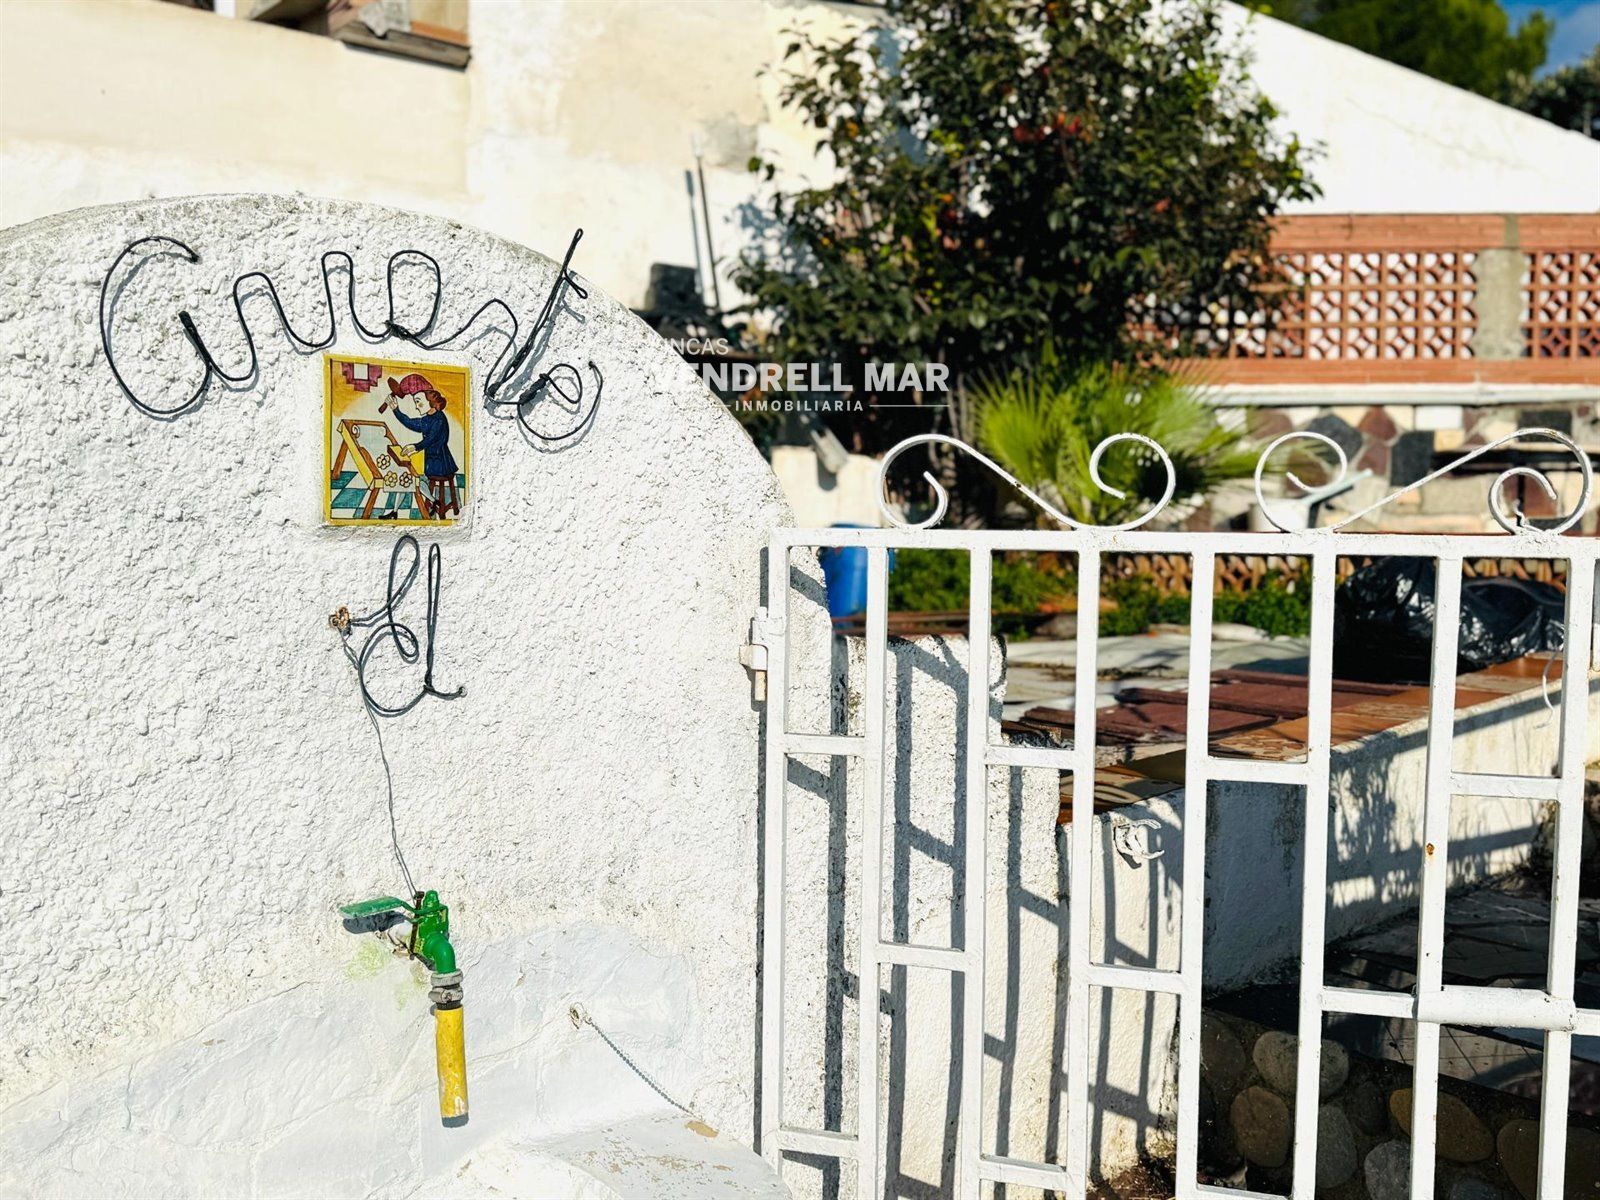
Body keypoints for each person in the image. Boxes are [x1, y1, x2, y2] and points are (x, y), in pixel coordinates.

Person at [380, 373, 459, 516]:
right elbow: (410, 423)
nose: (417, 407)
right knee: (410, 475)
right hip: (430, 461)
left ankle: (431, 502)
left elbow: (431, 439)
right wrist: (395, 409)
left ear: (430, 400)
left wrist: (415, 447)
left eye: (418, 401)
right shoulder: (427, 419)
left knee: (413, 477)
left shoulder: (439, 419)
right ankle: (431, 502)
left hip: (441, 463)